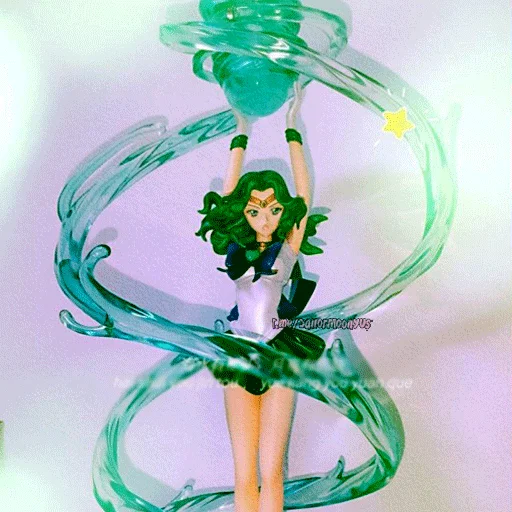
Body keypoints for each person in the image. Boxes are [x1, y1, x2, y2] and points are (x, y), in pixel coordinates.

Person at [196, 81, 327, 511]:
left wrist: (293, 126)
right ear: (244, 214)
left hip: (278, 352)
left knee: (271, 472)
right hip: (237, 353)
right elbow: (227, 195)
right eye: (254, 210)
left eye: (272, 209)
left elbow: (304, 195)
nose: (265, 217)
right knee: (243, 474)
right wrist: (241, 131)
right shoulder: (238, 250)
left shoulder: (287, 248)